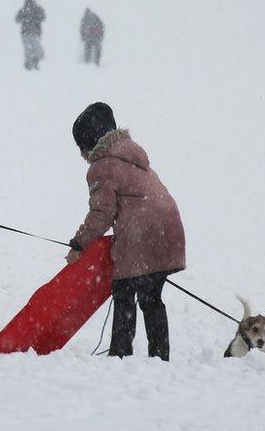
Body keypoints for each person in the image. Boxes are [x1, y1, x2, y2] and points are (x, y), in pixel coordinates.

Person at [66, 103, 185, 360]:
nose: (81, 155)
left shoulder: (102, 167)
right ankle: (160, 356)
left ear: (88, 144)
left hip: (140, 236)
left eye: (80, 148)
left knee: (123, 294)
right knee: (152, 297)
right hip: (168, 233)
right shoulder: (135, 158)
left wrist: (79, 244)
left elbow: (101, 213)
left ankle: (120, 353)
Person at [15, 0, 45, 70]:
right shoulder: (32, 9)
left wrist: (27, 17)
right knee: (33, 49)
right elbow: (17, 19)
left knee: (30, 49)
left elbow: (43, 17)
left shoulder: (27, 10)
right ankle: (33, 63)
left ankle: (31, 63)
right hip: (32, 33)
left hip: (29, 33)